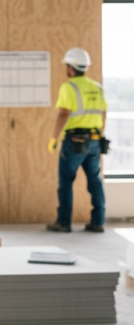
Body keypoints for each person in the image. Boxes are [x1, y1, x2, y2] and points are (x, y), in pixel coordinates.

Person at [46, 47, 108, 233]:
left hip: (74, 140)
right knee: (95, 181)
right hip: (95, 139)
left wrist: (54, 138)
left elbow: (63, 113)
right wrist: (99, 135)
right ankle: (98, 222)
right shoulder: (97, 87)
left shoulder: (69, 87)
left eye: (67, 65)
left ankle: (64, 223)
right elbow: (103, 113)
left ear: (71, 68)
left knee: (66, 181)